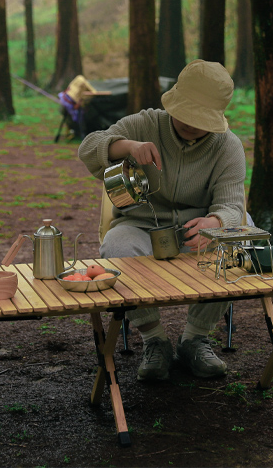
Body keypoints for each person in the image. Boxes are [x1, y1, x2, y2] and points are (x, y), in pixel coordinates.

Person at [78, 59, 246, 382]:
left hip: (198, 234)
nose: (191, 124)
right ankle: (154, 339)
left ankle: (195, 338)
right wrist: (127, 146)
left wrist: (215, 222)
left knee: (238, 236)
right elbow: (88, 148)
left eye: (200, 118)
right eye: (186, 113)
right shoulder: (145, 124)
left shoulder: (228, 147)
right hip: (141, 227)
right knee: (116, 245)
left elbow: (232, 205)